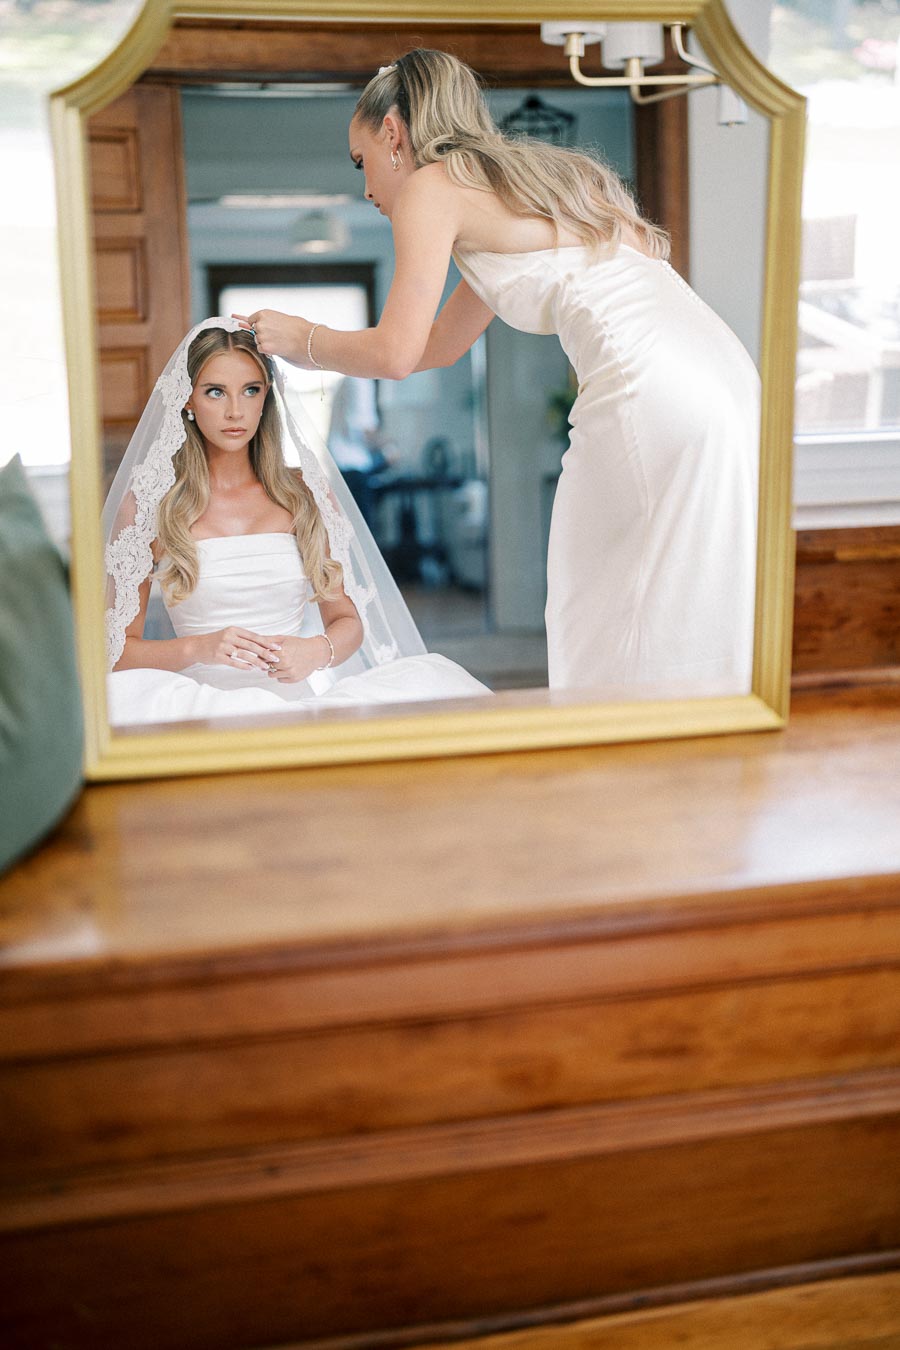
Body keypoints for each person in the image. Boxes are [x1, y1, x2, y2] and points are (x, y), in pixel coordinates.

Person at [235, 49, 760, 699]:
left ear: (393, 134)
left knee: (598, 581)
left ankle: (622, 750)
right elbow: (438, 346)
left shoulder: (431, 187)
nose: (366, 189)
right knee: (686, 571)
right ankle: (695, 734)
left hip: (645, 383)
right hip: (719, 373)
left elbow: (396, 354)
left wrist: (303, 339)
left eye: (361, 161)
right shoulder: (534, 181)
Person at [102, 317, 489, 727]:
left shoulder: (304, 494)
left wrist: (315, 651)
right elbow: (117, 652)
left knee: (435, 688)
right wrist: (199, 648)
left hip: (292, 706)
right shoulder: (149, 507)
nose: (236, 411)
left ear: (266, 397)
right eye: (215, 392)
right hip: (199, 707)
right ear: (188, 400)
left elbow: (347, 622)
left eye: (250, 390)